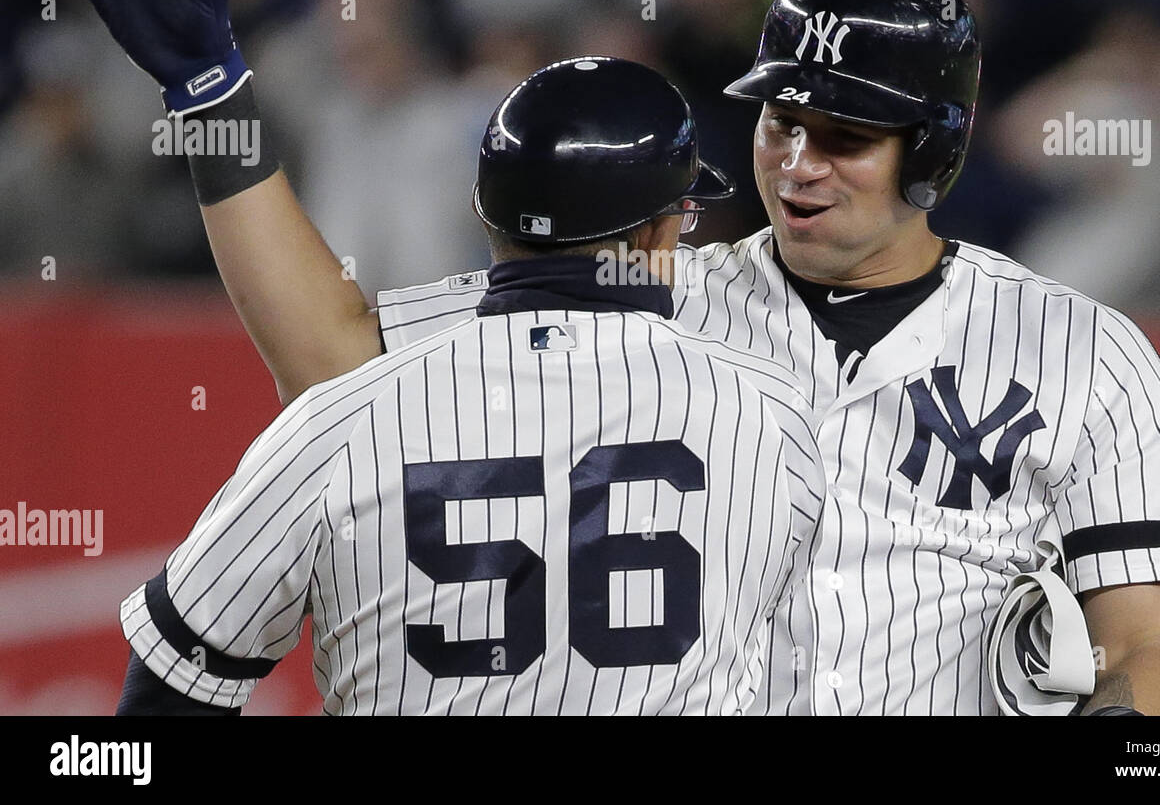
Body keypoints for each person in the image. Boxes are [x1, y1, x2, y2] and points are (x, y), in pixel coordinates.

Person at [63, 0, 1160, 715]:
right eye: (781, 120)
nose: (797, 161)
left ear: (936, 153)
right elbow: (338, 359)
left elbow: (1147, 647)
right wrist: (212, 94)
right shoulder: (646, 291)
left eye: (846, 135)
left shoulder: (1082, 351)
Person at [114, 55, 825, 715]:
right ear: (658, 237)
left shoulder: (338, 420)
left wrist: (210, 98)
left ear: (486, 216)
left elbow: (169, 685)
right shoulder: (770, 414)